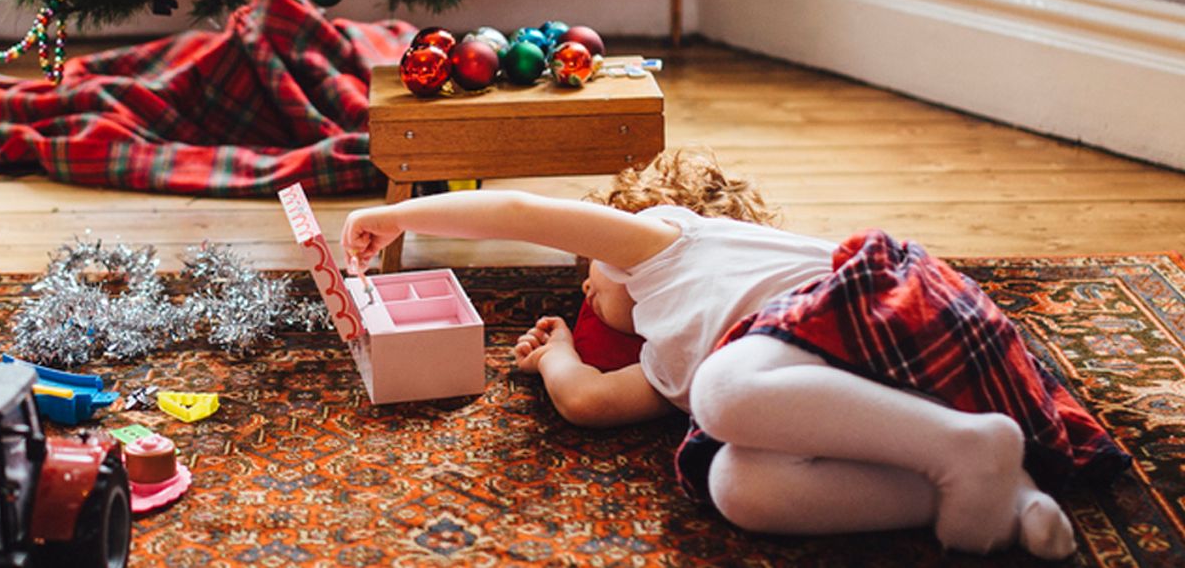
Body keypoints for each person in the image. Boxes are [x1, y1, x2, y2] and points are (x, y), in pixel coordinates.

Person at [341, 148, 1128, 560]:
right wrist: (554, 360)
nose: (587, 297)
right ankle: (1004, 488)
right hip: (886, 402)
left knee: (721, 393)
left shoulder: (662, 244)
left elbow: (519, 210)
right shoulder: (671, 360)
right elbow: (588, 404)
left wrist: (398, 213)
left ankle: (970, 450)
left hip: (893, 314)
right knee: (736, 482)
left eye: (587, 280)